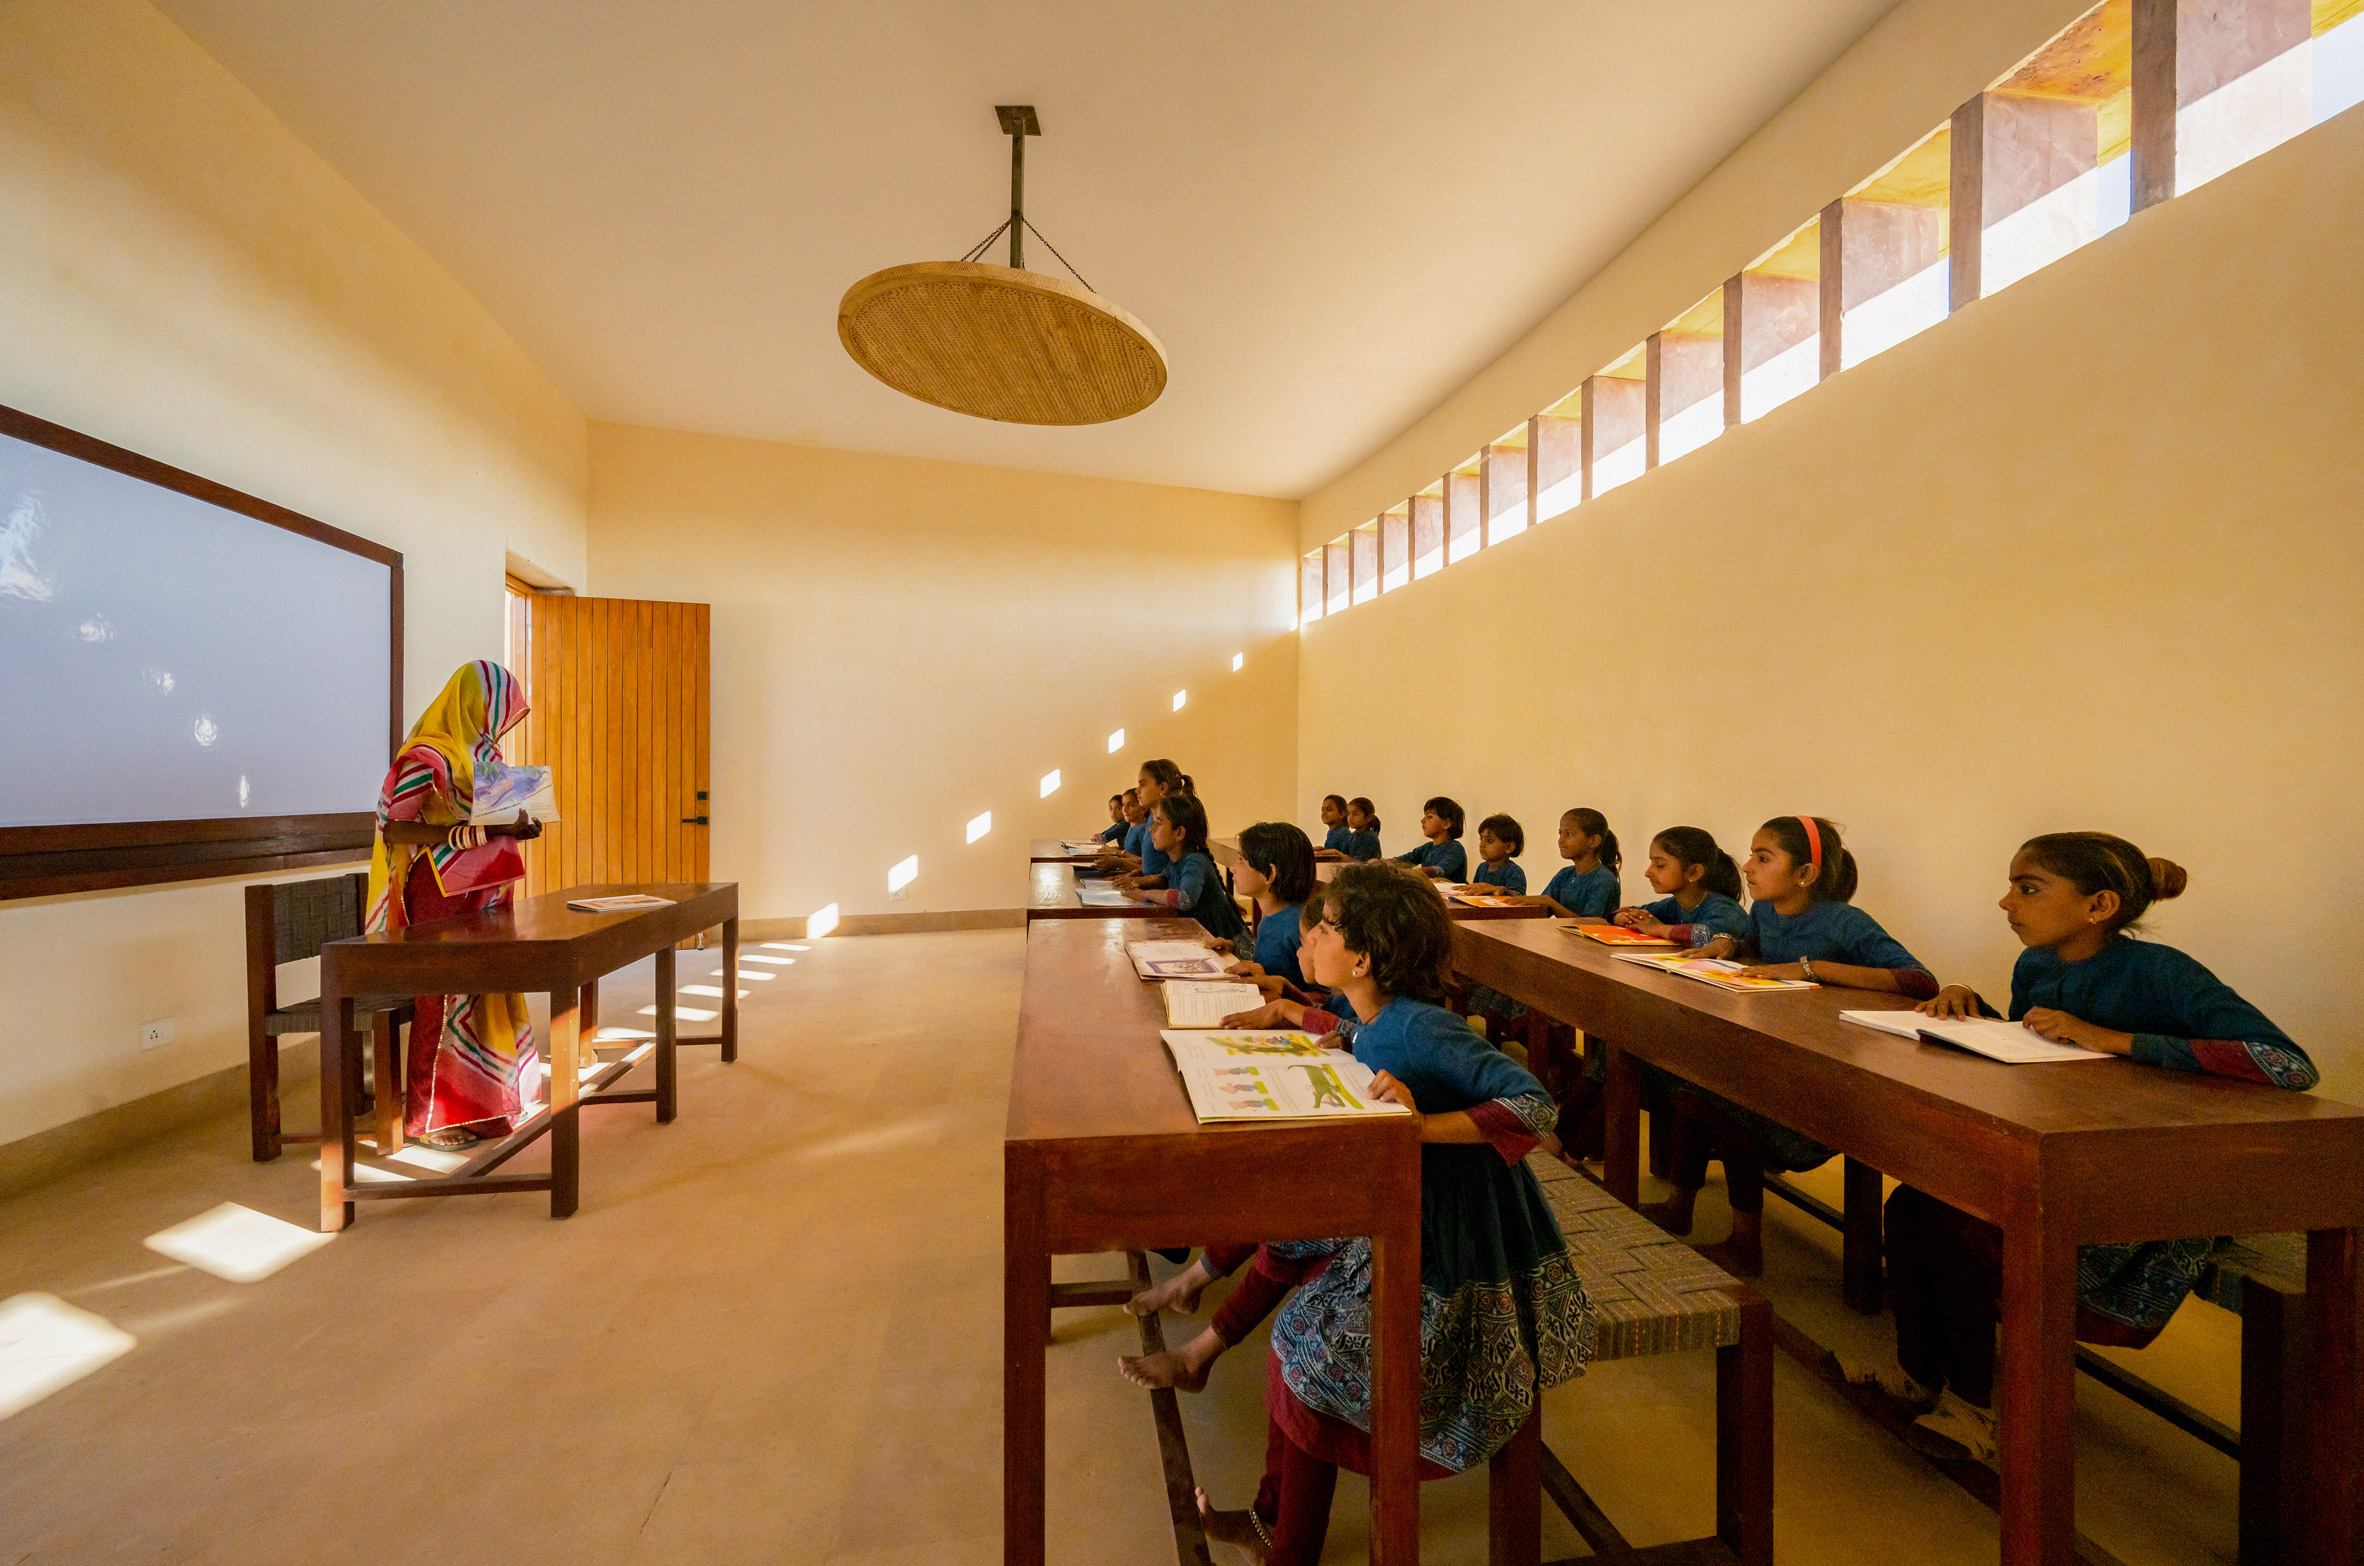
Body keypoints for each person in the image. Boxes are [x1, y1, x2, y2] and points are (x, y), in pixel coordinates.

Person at [1128, 864, 1592, 1563]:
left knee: (1305, 1365)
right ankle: (1270, 1518)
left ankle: (1284, 1540)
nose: (1308, 935)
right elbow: (1354, 1032)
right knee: (1289, 1244)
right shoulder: (1381, 1016)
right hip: (1402, 1211)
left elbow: (1534, 1104)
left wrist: (1419, 1126)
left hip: (1455, 1255)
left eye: (1325, 927)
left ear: (1364, 957)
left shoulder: (1425, 1028)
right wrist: (1289, 1013)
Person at [1835, 832, 2317, 1462]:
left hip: (2149, 1193)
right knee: (1913, 1206)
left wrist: (2115, 1040)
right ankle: (1924, 1379)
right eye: (2011, 885)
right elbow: (2035, 1047)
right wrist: (1969, 1007)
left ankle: (1973, 1412)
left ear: (2099, 906)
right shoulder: (2037, 966)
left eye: (2028, 888)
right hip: (2067, 1160)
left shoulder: (2161, 972)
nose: (2006, 902)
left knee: (1951, 1222)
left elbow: (2287, 1065)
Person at [1646, 816, 1938, 1275]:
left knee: (1728, 1102)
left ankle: (1746, 1245)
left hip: (1826, 1083)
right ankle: (1679, 1206)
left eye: (1764, 858)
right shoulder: (1764, 912)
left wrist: (1811, 968)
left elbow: (1919, 980)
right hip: (1775, 1059)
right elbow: (1756, 953)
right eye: (1751, 854)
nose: (1746, 866)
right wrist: (1728, 945)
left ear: (1805, 875)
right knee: (1692, 1086)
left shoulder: (1846, 922)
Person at [366, 660, 546, 1150]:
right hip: (438, 891)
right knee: (444, 995)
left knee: (488, 988)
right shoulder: (428, 755)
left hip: (485, 887)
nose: (501, 720)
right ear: (473, 702)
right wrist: (475, 832)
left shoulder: (484, 754)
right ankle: (428, 1119)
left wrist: (519, 825)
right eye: (497, 708)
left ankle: (489, 1108)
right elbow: (394, 827)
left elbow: (492, 820)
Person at [1122, 792, 1245, 941]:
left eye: (1158, 823)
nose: (1151, 829)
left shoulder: (1194, 861)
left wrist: (1145, 894)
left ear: (1179, 832)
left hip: (1223, 942)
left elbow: (1184, 899)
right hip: (1199, 937)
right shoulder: (1177, 860)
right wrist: (1136, 882)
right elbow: (1163, 878)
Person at [1215, 822, 1320, 992]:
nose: (1233, 868)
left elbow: (1324, 997)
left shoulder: (1298, 926)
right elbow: (1268, 967)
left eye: (1241, 860)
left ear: (1269, 874)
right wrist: (1234, 949)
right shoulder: (1270, 917)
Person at [1611, 826, 1749, 945]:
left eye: (1660, 865)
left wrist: (1658, 929)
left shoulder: (1725, 909)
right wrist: (1623, 917)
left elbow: (1710, 936)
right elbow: (1630, 911)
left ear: (1694, 872)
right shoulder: (1673, 905)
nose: (1648, 873)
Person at [1518, 808, 1622, 920]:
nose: (1560, 840)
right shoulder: (1565, 874)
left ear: (1593, 841)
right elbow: (1540, 910)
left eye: (1569, 834)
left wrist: (1552, 904)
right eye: (1560, 833)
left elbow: (1588, 924)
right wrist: (1510, 898)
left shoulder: (1603, 880)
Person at [1097, 758, 1184, 882]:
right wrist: (1130, 876)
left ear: (1162, 787)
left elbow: (1165, 874)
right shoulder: (1150, 820)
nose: (1137, 790)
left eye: (1143, 784)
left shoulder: (1171, 822)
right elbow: (1148, 865)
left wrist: (1120, 862)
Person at [1393, 797, 1467, 881]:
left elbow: (1440, 870)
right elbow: (1403, 860)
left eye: (1429, 816)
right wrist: (1381, 864)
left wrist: (1408, 873)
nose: (1422, 820)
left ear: (1446, 824)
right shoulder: (1426, 848)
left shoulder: (1455, 848)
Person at [1469, 814, 1527, 893]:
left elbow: (1519, 897)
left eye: (1489, 841)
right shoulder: (1481, 868)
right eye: (1481, 839)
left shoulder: (1514, 871)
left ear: (1509, 847)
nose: (1481, 844)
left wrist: (1505, 891)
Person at [1340, 798, 1383, 862]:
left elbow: (1361, 862)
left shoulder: (1369, 837)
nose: (1350, 818)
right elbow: (1343, 854)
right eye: (1349, 814)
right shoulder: (1351, 837)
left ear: (1368, 817)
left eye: (1355, 814)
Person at [1313, 794, 1354, 860]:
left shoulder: (1343, 832)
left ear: (1341, 813)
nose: (1324, 813)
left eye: (1329, 809)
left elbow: (1344, 855)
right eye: (1322, 810)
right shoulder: (1331, 832)